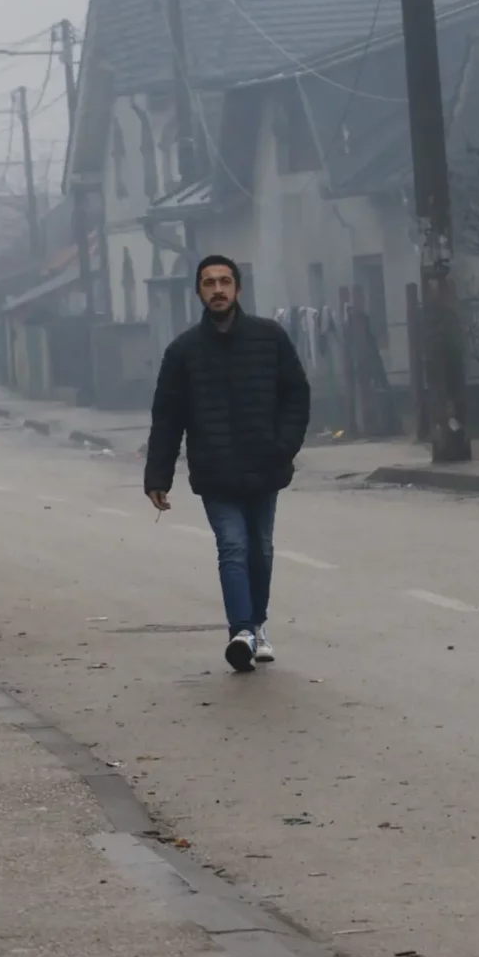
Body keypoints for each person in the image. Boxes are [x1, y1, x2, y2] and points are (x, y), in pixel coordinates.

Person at [145, 255, 311, 673]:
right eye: (208, 283)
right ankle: (242, 632)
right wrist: (158, 476)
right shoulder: (183, 352)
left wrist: (283, 446)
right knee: (233, 546)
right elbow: (168, 417)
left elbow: (296, 396)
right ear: (199, 292)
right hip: (215, 470)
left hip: (264, 465)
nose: (217, 290)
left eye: (224, 281)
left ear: (238, 288)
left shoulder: (269, 339)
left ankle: (256, 626)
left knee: (261, 550)